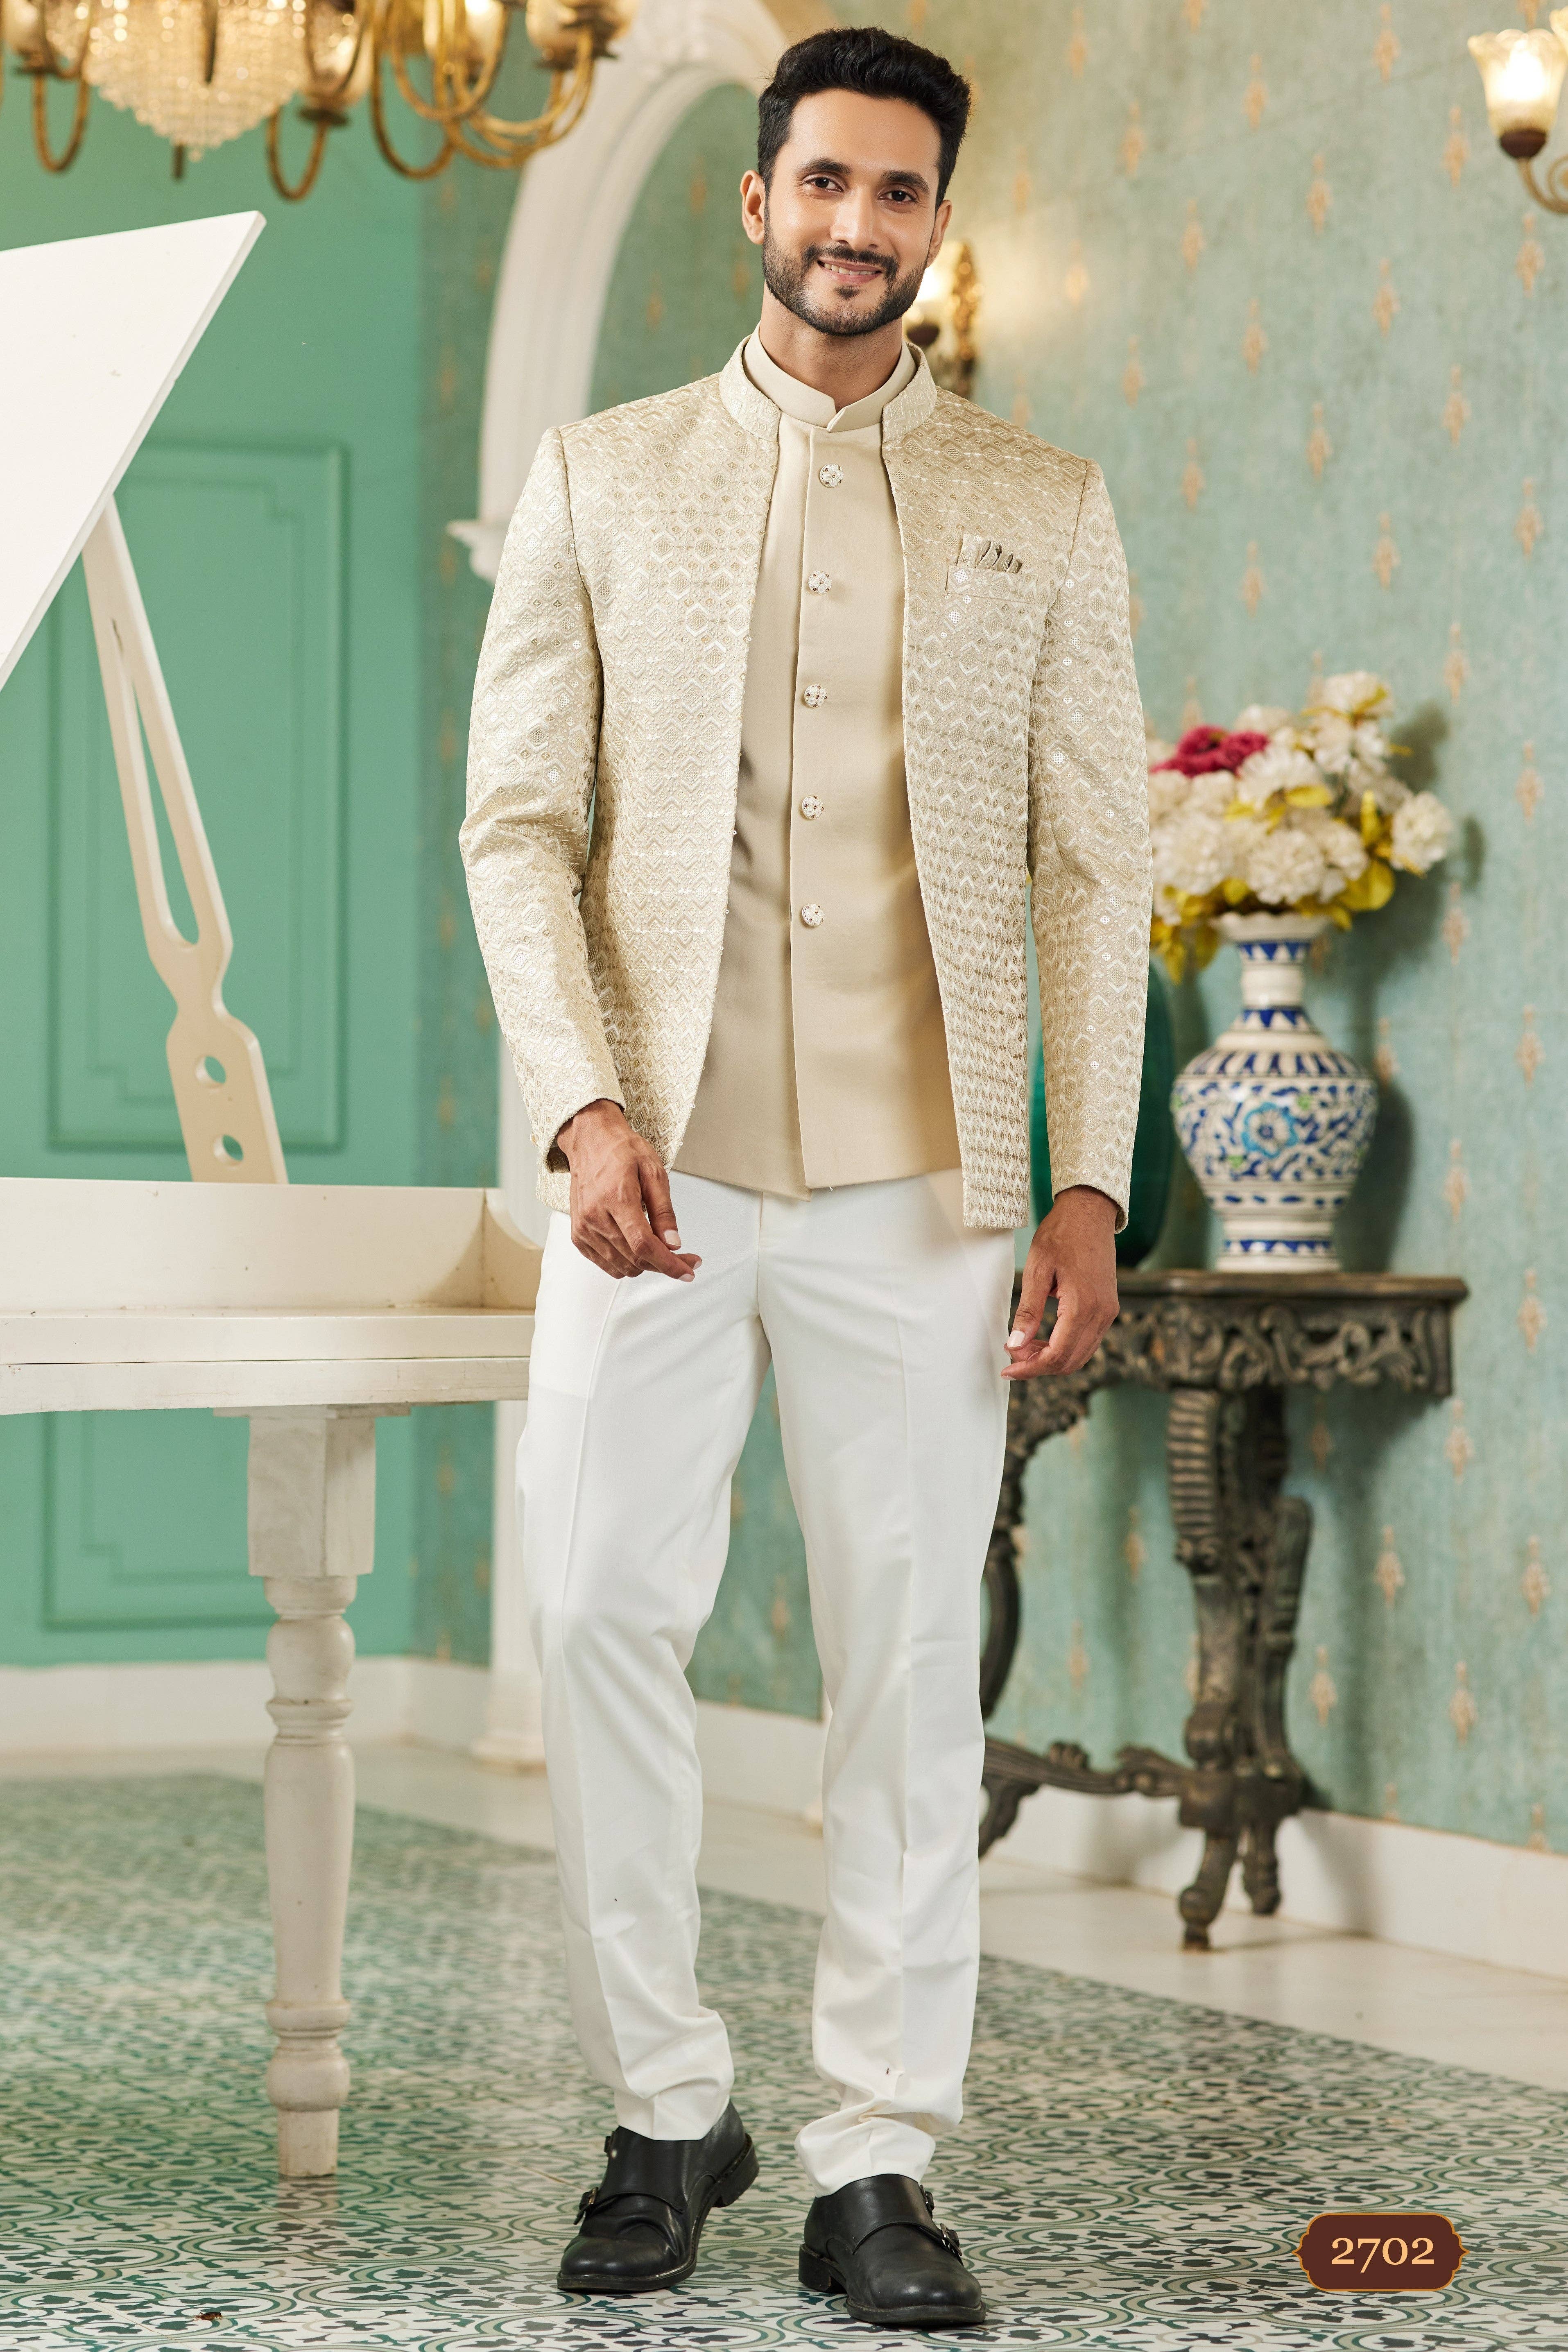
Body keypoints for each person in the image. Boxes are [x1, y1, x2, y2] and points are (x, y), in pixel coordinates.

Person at [462, 24, 1151, 2332]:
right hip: (646, 1180)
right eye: (825, 182)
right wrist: (583, 1107)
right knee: (593, 1612)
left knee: (908, 1669)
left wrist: (1087, 1184)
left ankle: (877, 2157)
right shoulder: (603, 478)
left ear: (936, 222)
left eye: (901, 191)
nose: (859, 225)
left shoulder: (1043, 506)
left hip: (924, 1194)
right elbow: (517, 828)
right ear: (755, 203)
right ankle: (667, 2108)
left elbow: (1094, 868)